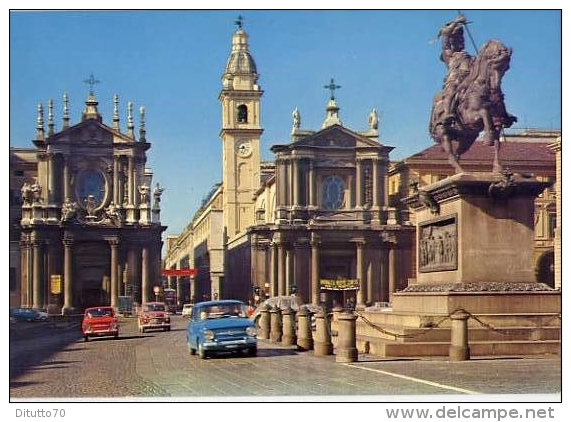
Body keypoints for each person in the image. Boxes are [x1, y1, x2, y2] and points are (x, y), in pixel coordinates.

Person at [438, 14, 473, 123]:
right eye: (456, 39)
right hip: (455, 80)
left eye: (461, 38)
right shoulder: (448, 55)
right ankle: (448, 113)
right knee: (452, 89)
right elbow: (445, 34)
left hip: (470, 81)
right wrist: (456, 22)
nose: (460, 41)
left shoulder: (470, 57)